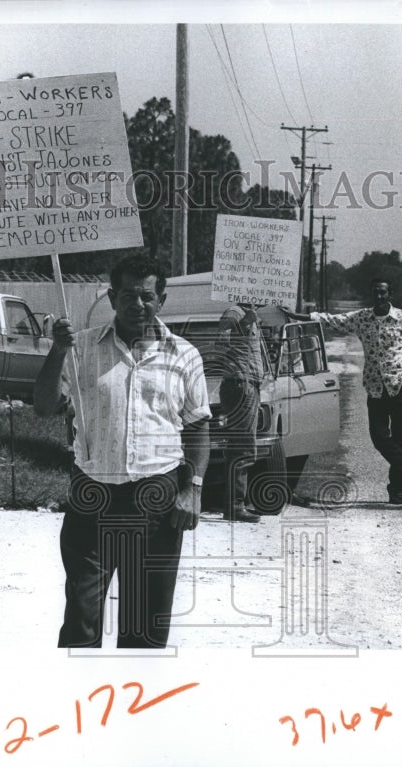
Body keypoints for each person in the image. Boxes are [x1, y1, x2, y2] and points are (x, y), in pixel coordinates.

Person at [33, 254, 211, 648]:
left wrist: (193, 488)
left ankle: (137, 706)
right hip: (92, 497)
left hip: (157, 500)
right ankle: (78, 702)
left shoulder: (184, 355)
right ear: (112, 298)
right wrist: (57, 351)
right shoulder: (79, 348)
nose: (138, 305)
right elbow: (44, 406)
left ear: (161, 300)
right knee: (82, 617)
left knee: (144, 626)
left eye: (147, 296)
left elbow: (198, 427)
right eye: (128, 295)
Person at [284, 279, 402, 504]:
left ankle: (397, 490)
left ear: (390, 294)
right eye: (375, 293)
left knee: (401, 442)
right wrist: (299, 316)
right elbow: (332, 320)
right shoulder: (362, 318)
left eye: (383, 293)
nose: (379, 297)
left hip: (401, 386)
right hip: (375, 388)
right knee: (379, 437)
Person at [216, 303, 265, 523]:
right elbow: (222, 342)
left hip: (247, 383)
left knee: (240, 446)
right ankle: (235, 505)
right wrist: (244, 323)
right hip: (239, 383)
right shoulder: (235, 313)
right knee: (243, 448)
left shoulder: (251, 314)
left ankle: (235, 503)